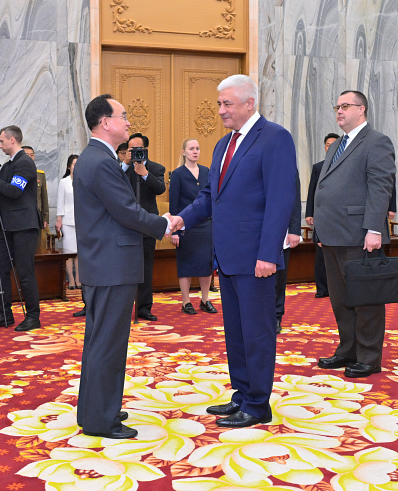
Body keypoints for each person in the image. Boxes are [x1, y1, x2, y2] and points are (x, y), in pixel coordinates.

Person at [169, 74, 297, 428]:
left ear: (249, 103)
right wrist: (182, 219)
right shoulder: (223, 144)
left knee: (257, 333)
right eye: (219, 103)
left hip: (256, 257)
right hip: (226, 256)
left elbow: (280, 199)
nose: (221, 110)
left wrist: (269, 254)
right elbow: (211, 196)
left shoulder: (275, 138)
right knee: (237, 333)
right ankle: (241, 395)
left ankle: (257, 405)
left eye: (227, 103)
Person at [74, 94, 170, 440]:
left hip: (104, 264)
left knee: (99, 341)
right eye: (123, 116)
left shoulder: (95, 157)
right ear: (105, 123)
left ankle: (95, 410)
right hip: (112, 266)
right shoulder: (101, 162)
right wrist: (164, 224)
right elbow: (126, 211)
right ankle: (102, 419)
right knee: (109, 345)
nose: (128, 122)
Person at [314, 90, 396, 378]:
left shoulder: (376, 141)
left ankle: (369, 358)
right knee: (341, 301)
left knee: (366, 300)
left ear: (361, 109)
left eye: (345, 106)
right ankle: (348, 350)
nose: (339, 111)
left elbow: (380, 187)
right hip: (333, 235)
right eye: (337, 106)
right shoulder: (337, 145)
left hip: (360, 235)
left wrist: (374, 228)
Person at [0, 125, 42, 332]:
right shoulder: (9, 164)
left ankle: (33, 316)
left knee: (25, 272)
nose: (0, 146)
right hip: (7, 226)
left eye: (2, 141)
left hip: (24, 225)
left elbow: (15, 190)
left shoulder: (24, 162)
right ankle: (4, 313)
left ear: (12, 140)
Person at [169, 139, 216, 315]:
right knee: (186, 264)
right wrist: (175, 231)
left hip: (205, 225)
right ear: (184, 152)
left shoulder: (206, 171)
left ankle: (205, 300)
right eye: (191, 148)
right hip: (185, 226)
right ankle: (186, 301)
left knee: (206, 263)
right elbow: (174, 204)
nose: (195, 151)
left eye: (197, 148)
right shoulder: (177, 174)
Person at [123, 132, 166, 321]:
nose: (134, 152)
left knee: (146, 268)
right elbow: (113, 181)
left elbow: (160, 189)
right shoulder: (123, 169)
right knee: (125, 268)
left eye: (138, 149)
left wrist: (145, 174)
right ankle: (124, 308)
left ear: (145, 150)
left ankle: (144, 308)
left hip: (147, 225)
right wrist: (126, 164)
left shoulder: (156, 168)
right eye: (131, 149)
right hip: (126, 225)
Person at [305, 133, 338, 298]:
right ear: (324, 147)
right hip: (322, 216)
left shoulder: (346, 165)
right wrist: (309, 213)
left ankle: (339, 289)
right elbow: (312, 191)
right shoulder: (318, 167)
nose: (330, 147)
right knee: (320, 254)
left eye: (334, 144)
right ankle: (322, 289)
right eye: (327, 144)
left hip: (339, 217)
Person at [274, 172, 301, 333]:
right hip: (253, 232)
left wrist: (295, 230)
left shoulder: (287, 166)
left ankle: (277, 316)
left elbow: (294, 199)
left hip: (281, 233)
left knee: (279, 279)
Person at [55, 154, 81, 293]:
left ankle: (79, 279)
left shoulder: (83, 180)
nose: (76, 167)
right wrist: (59, 219)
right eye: (74, 164)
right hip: (67, 221)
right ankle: (70, 279)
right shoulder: (64, 182)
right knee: (69, 252)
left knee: (79, 252)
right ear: (69, 166)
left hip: (82, 221)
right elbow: (60, 202)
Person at [22, 145, 51, 237]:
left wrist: (45, 218)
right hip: (21, 216)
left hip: (36, 216)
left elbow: (44, 198)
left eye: (32, 155)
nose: (30, 157)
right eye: (27, 155)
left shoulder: (40, 175)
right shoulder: (15, 174)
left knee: (36, 243)